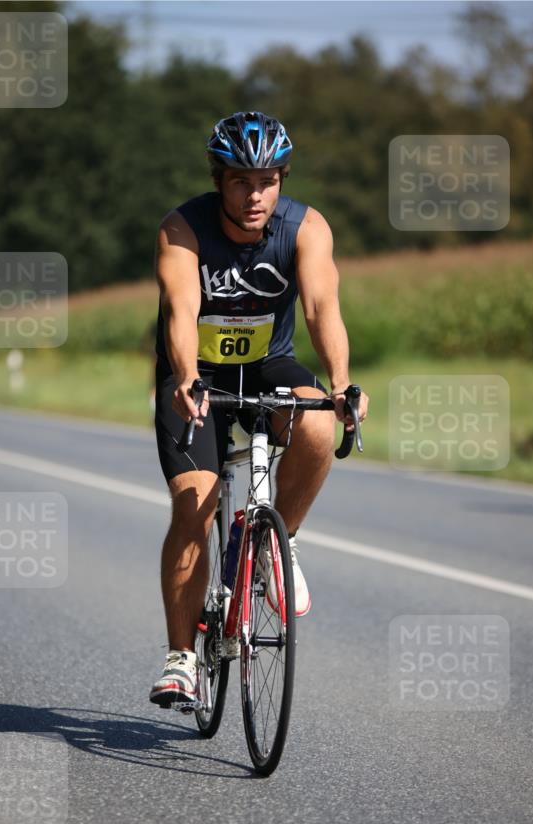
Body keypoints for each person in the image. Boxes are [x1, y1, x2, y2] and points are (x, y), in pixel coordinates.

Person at [149, 110, 369, 707]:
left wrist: (342, 384)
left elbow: (321, 307)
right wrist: (187, 377)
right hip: (194, 374)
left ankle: (279, 540)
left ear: (282, 180)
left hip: (268, 363)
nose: (255, 195)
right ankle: (181, 659)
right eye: (241, 181)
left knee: (317, 420)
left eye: (267, 181)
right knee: (194, 506)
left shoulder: (306, 227)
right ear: (219, 180)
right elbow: (180, 309)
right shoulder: (182, 229)